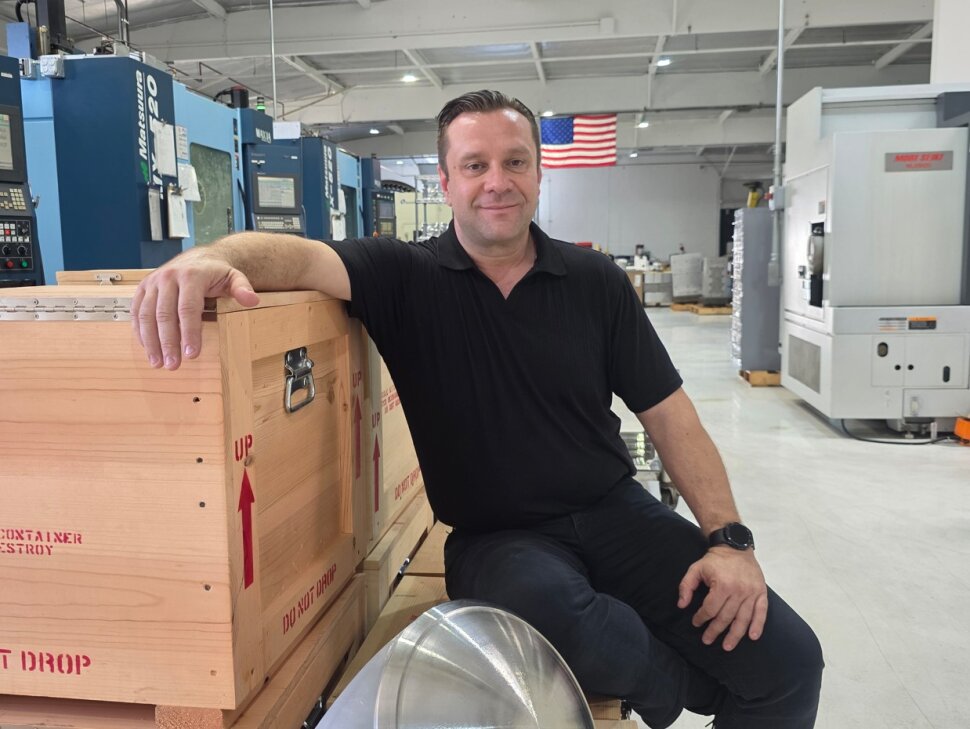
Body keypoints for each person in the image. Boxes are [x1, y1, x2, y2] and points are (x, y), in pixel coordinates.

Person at [131, 90, 822, 728]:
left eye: (515, 161)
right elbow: (299, 258)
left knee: (790, 664)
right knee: (554, 616)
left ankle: (691, 676)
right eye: (475, 165)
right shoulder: (403, 276)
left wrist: (728, 541)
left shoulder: (595, 282)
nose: (497, 181)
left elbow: (670, 415)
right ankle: (684, 685)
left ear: (539, 174)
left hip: (616, 512)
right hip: (498, 538)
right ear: (446, 181)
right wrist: (205, 258)